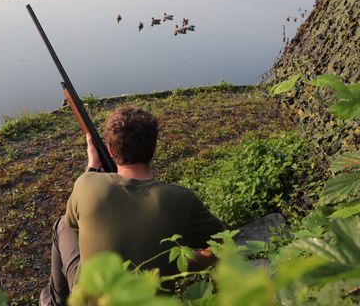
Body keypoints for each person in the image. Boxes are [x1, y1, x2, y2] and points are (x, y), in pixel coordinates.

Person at [40, 107, 224, 306]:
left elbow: (73, 222)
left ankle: (55, 302)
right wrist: (180, 261)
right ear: (153, 149)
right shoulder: (182, 199)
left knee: (62, 225)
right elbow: (223, 243)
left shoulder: (86, 184)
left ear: (110, 151)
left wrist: (92, 168)